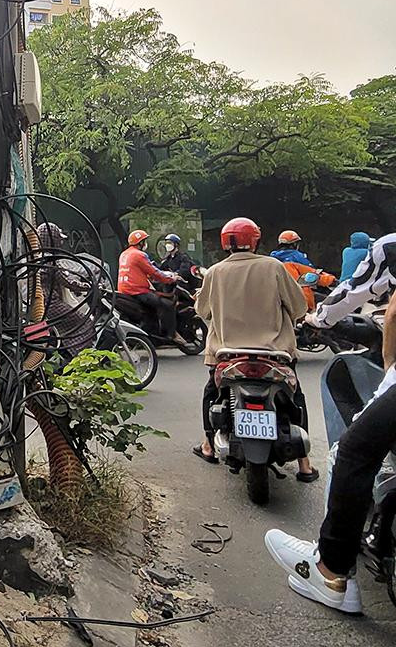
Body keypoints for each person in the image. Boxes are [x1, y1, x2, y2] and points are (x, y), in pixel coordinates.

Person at [265, 236, 396, 612]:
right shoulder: (292, 263)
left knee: (351, 451)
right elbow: (316, 280)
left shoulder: (386, 248)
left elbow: (353, 292)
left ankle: (332, 569)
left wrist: (318, 319)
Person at [194, 216, 315, 476]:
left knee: (211, 392)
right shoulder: (274, 267)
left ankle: (207, 445)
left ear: (225, 243)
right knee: (296, 397)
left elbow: (203, 310)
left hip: (228, 354)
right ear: (255, 240)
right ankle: (304, 463)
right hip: (275, 354)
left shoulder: (215, 272)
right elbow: (298, 307)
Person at [117, 229, 193, 350]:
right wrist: (170, 279)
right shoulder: (140, 255)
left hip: (125, 290)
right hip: (138, 290)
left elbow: (142, 271)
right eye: (144, 241)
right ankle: (171, 334)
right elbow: (155, 272)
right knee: (167, 304)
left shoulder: (125, 254)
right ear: (141, 243)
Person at [36, 223, 98, 358]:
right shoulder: (50, 260)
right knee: (84, 322)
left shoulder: (38, 256)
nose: (61, 241)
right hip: (50, 304)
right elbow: (67, 281)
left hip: (40, 304)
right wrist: (86, 286)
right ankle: (76, 356)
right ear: (52, 239)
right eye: (59, 238)